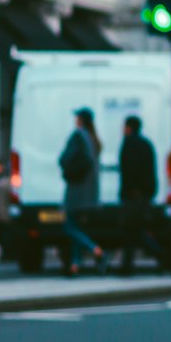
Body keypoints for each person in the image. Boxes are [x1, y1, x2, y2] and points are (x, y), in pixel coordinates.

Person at [58, 108, 104, 275]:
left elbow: (64, 158)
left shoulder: (78, 136)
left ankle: (94, 248)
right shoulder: (93, 139)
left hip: (76, 189)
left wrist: (66, 168)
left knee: (68, 226)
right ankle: (75, 264)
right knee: (76, 225)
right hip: (89, 192)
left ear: (81, 120)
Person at [118, 115, 160, 274]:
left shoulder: (129, 143)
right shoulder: (146, 144)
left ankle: (129, 265)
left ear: (129, 127)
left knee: (131, 230)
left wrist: (127, 191)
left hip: (133, 194)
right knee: (133, 230)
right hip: (143, 193)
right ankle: (127, 266)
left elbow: (128, 171)